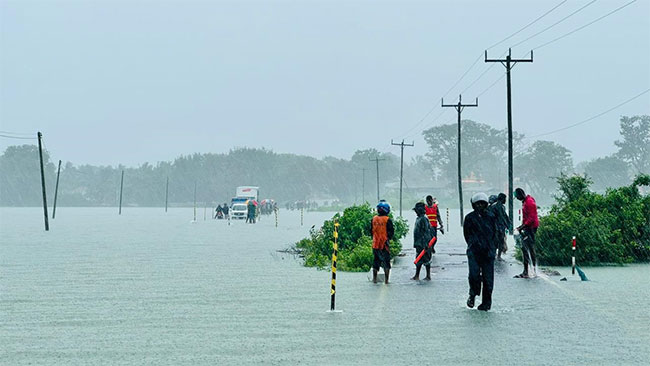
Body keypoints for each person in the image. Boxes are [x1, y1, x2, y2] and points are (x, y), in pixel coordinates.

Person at [463, 192, 498, 311]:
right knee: (474, 276)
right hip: (474, 252)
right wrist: (473, 244)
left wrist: (492, 248)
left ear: (486, 204)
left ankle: (486, 304)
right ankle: (472, 295)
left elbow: (495, 233)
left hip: (488, 253)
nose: (480, 206)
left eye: (483, 204)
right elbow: (466, 235)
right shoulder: (469, 218)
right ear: (473, 205)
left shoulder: (491, 217)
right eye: (478, 204)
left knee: (488, 280)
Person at [514, 188, 539, 278]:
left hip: (531, 228)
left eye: (517, 197)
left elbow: (531, 219)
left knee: (526, 248)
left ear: (521, 195)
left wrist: (522, 227)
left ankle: (528, 271)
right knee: (528, 248)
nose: (517, 199)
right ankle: (531, 270)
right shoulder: (526, 201)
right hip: (528, 227)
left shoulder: (529, 203)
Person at [369, 200, 394, 284]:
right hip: (384, 244)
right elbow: (391, 232)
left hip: (375, 244)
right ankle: (386, 281)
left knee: (376, 261)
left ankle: (374, 279)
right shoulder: (387, 220)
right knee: (386, 262)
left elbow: (370, 231)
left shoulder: (374, 219)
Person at [411, 202, 434, 281]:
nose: (415, 212)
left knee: (426, 259)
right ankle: (416, 275)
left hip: (424, 243)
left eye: (416, 210)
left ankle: (428, 276)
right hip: (418, 243)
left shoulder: (424, 219)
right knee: (419, 259)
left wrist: (426, 244)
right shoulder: (418, 219)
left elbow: (426, 232)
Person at [489, 193, 511, 261]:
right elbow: (502, 217)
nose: (505, 201)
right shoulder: (496, 206)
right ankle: (498, 255)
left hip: (500, 227)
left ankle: (498, 255)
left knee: (499, 241)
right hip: (497, 227)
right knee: (498, 242)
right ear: (502, 199)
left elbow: (505, 217)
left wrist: (508, 224)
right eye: (505, 199)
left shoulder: (501, 206)